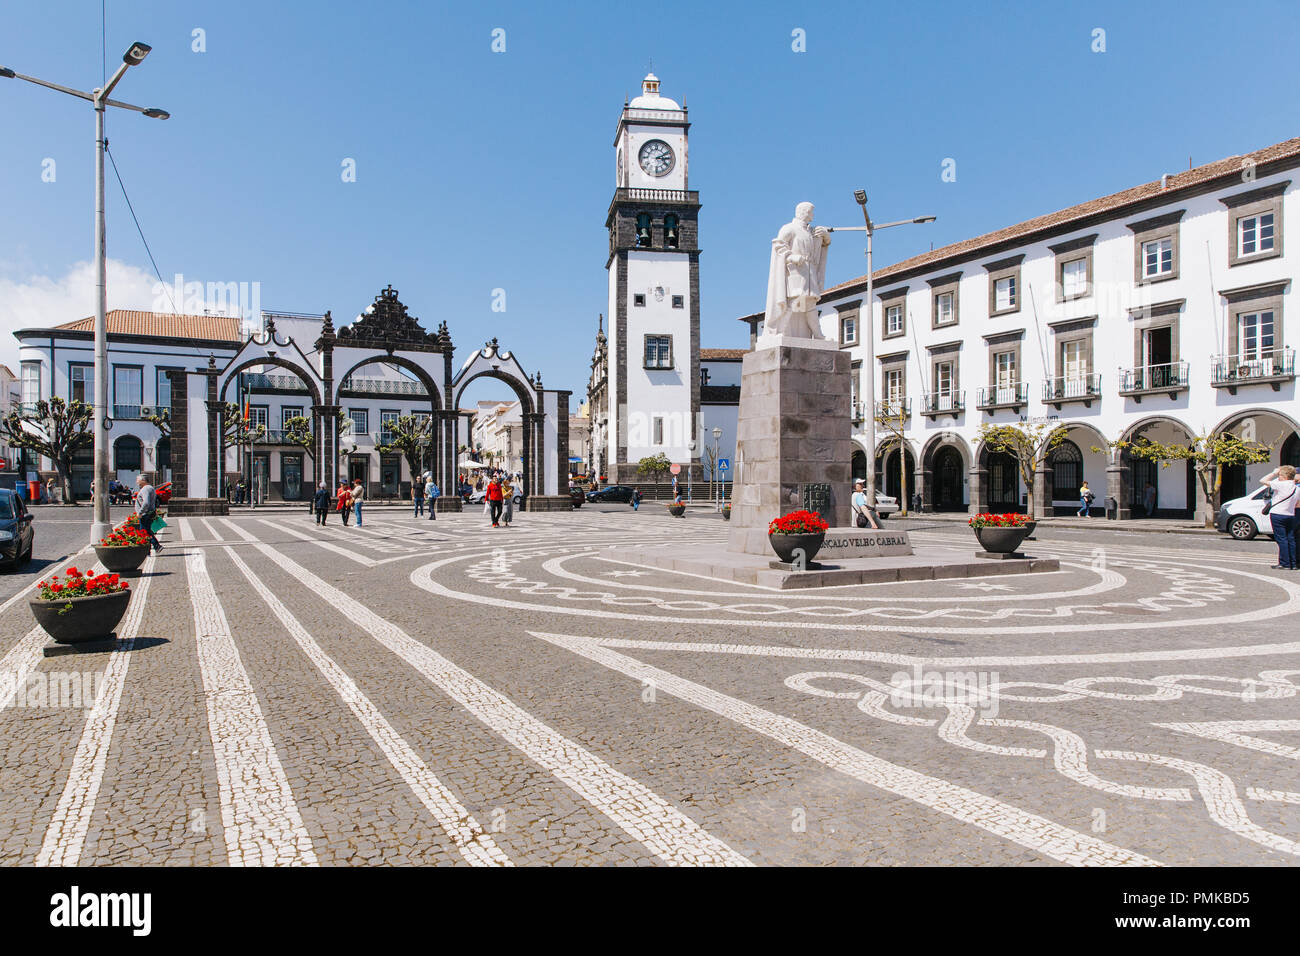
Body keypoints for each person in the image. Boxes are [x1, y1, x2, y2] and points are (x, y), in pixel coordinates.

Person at [1261, 464, 1298, 570]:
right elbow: (1297, 504)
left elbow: (1263, 480)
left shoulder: (1282, 485)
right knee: (1290, 539)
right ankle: (1293, 563)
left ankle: (1284, 563)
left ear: (1285, 476)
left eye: (1280, 475)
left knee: (1281, 539)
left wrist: (1274, 473)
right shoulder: (1296, 488)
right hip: (1290, 514)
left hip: (1278, 514)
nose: (1279, 477)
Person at [134, 474, 162, 552]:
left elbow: (146, 502)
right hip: (149, 512)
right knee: (146, 531)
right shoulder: (150, 488)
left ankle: (156, 546)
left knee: (144, 532)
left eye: (137, 480)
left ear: (143, 480)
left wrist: (140, 512)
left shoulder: (145, 489)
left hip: (145, 514)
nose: (136, 482)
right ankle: (148, 550)